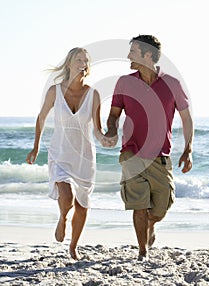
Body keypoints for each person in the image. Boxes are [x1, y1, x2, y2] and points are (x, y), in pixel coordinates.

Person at [103, 35, 193, 261]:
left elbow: (186, 118)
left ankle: (151, 225)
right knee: (138, 204)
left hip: (160, 155)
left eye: (132, 52)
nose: (128, 56)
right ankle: (142, 250)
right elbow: (113, 115)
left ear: (148, 55)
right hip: (131, 152)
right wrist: (112, 130)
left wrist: (188, 148)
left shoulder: (172, 83)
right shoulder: (124, 82)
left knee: (162, 205)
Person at [26, 47, 105, 260]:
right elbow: (41, 118)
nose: (83, 63)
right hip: (60, 153)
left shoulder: (93, 94)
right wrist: (36, 146)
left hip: (85, 157)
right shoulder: (55, 91)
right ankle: (62, 218)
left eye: (86, 60)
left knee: (82, 205)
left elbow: (97, 129)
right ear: (69, 63)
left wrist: (107, 138)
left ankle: (73, 246)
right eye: (79, 59)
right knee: (67, 197)